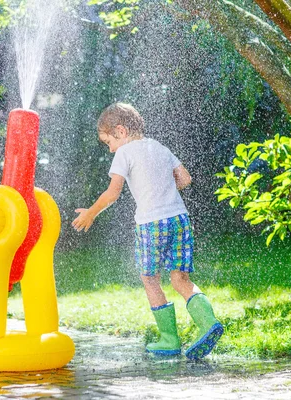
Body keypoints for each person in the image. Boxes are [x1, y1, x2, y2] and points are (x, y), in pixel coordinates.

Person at [72, 102, 223, 359]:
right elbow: (185, 179)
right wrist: (161, 186)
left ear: (120, 131)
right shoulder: (159, 147)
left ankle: (169, 339)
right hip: (179, 218)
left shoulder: (124, 153)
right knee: (180, 279)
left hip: (151, 224)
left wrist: (90, 213)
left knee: (150, 279)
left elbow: (113, 192)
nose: (109, 149)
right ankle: (209, 323)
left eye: (108, 141)